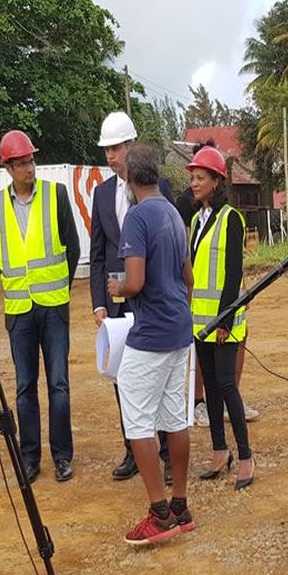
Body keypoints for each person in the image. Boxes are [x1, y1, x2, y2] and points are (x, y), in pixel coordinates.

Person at [106, 144, 196, 545]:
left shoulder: (138, 217)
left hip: (152, 332)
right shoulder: (174, 214)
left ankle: (159, 514)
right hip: (178, 328)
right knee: (175, 417)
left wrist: (118, 287)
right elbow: (188, 278)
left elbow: (136, 281)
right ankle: (180, 506)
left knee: (138, 420)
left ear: (128, 176)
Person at [0, 129, 80, 484]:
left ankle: (62, 456)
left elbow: (72, 248)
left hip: (53, 306)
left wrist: (58, 288)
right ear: (8, 168)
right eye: (22, 163)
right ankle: (30, 458)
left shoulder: (55, 195)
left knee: (58, 384)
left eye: (31, 161)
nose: (30, 168)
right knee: (25, 387)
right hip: (18, 310)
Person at [91, 111, 174, 482]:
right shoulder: (101, 193)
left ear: (131, 145)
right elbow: (97, 253)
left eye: (116, 148)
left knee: (160, 374)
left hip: (151, 297)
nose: (110, 156)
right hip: (116, 301)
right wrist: (99, 302)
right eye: (106, 149)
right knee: (122, 377)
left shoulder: (160, 188)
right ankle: (133, 449)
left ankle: (167, 452)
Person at [186, 144, 255, 490]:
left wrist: (226, 320)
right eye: (193, 178)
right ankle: (218, 450)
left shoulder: (231, 220)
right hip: (201, 321)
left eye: (200, 178)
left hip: (224, 322)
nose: (194, 183)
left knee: (227, 386)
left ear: (216, 181)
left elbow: (232, 273)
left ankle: (245, 456)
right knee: (210, 387)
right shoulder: (196, 221)